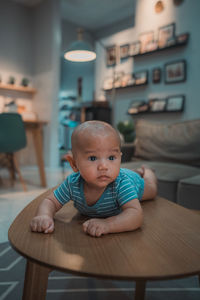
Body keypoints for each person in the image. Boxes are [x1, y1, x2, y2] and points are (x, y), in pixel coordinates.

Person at [30, 121, 157, 237]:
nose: (104, 166)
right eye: (92, 158)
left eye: (111, 158)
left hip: (133, 181)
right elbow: (50, 201)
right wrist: (44, 215)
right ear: (74, 164)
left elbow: (136, 215)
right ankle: (136, 171)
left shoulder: (121, 183)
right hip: (123, 175)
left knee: (151, 189)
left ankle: (147, 172)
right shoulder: (72, 183)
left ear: (120, 158)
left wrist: (108, 224)